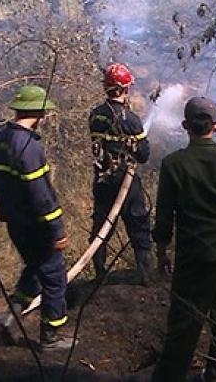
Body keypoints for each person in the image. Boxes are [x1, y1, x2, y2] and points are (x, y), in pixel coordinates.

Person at [151, 96, 216, 382]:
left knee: (183, 324)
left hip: (194, 256)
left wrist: (161, 253)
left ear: (186, 126)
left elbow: (164, 217)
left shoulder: (173, 164)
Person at [0, 84, 75, 352]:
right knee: (55, 276)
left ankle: (11, 318)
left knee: (35, 269)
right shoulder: (27, 146)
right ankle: (50, 336)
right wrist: (56, 229)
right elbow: (40, 195)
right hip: (37, 225)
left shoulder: (0, 140)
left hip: (16, 222)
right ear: (37, 111)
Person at [89, 63, 153, 285]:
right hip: (126, 181)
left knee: (101, 227)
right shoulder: (131, 120)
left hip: (102, 179)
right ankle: (145, 275)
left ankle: (99, 275)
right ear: (125, 89)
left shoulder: (95, 115)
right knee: (138, 224)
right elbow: (143, 155)